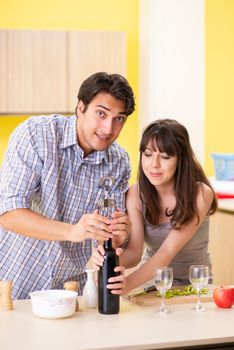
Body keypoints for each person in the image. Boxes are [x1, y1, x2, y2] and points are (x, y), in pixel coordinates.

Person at [0, 72, 135, 299]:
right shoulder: (36, 135)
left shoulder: (119, 163)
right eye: (101, 114)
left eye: (119, 118)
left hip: (70, 292)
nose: (108, 128)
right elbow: (9, 214)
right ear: (80, 108)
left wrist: (117, 237)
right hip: (11, 283)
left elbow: (103, 236)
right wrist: (72, 231)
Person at [93, 119, 217, 294]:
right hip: (152, 282)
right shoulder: (135, 194)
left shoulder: (201, 194)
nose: (154, 164)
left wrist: (127, 283)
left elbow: (167, 250)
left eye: (165, 156)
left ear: (180, 159)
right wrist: (109, 257)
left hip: (195, 283)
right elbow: (135, 254)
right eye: (148, 154)